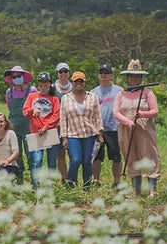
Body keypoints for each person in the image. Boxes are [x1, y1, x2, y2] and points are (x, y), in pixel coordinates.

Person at [113, 60, 160, 197]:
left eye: (137, 76)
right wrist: (127, 122)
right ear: (127, 77)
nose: (135, 78)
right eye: (132, 76)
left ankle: (153, 191)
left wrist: (142, 114)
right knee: (131, 157)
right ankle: (136, 191)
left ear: (141, 78)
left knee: (149, 155)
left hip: (144, 128)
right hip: (126, 129)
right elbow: (116, 112)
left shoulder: (147, 93)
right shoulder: (121, 94)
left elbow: (155, 111)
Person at [60, 71, 104, 188]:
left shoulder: (92, 97)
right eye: (76, 81)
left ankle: (87, 186)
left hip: (89, 134)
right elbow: (63, 118)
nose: (79, 83)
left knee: (87, 161)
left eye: (81, 81)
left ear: (84, 82)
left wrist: (100, 133)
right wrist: (64, 137)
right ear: (72, 82)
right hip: (73, 134)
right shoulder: (66, 98)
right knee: (75, 160)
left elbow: (97, 116)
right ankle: (71, 185)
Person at [23, 72, 60, 188]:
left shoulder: (54, 99)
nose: (43, 84)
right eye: (41, 81)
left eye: (46, 81)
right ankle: (35, 186)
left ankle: (51, 186)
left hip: (50, 132)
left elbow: (56, 115)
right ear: (38, 83)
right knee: (37, 161)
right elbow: (25, 111)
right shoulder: (32, 96)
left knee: (52, 162)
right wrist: (32, 110)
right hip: (36, 133)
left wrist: (46, 127)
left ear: (50, 83)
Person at [91, 63, 123, 187]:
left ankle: (116, 182)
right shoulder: (93, 92)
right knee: (97, 157)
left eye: (106, 72)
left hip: (114, 128)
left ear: (111, 75)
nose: (104, 74)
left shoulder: (119, 90)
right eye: (101, 72)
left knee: (116, 157)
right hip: (98, 129)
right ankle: (96, 180)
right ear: (98, 75)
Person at [4, 65, 36, 182]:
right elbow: (9, 106)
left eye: (19, 76)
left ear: (23, 76)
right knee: (16, 155)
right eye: (14, 77)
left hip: (29, 127)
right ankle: (19, 181)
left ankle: (34, 181)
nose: (16, 78)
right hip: (13, 127)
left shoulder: (32, 90)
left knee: (31, 155)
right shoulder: (9, 92)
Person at [0, 113, 20, 188]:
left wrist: (7, 161)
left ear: (5, 123)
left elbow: (16, 152)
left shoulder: (11, 134)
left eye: (1, 121)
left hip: (11, 166)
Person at [54, 62, 73, 183]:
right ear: (57, 73)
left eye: (65, 71)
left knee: (72, 153)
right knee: (60, 154)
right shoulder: (52, 88)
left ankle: (72, 177)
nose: (63, 74)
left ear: (69, 73)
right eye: (61, 71)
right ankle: (64, 177)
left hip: (72, 125)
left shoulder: (75, 86)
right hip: (57, 125)